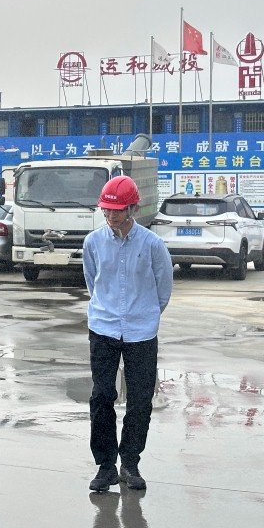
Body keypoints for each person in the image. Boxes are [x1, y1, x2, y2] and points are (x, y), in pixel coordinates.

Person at [83, 175, 172, 492]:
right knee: (101, 396)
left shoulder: (152, 245)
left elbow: (163, 289)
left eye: (117, 210)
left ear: (133, 208)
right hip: (103, 328)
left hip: (141, 332)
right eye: (106, 210)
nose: (111, 216)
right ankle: (105, 466)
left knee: (140, 400)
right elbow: (93, 282)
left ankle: (130, 463)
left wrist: (144, 315)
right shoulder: (93, 242)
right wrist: (109, 310)